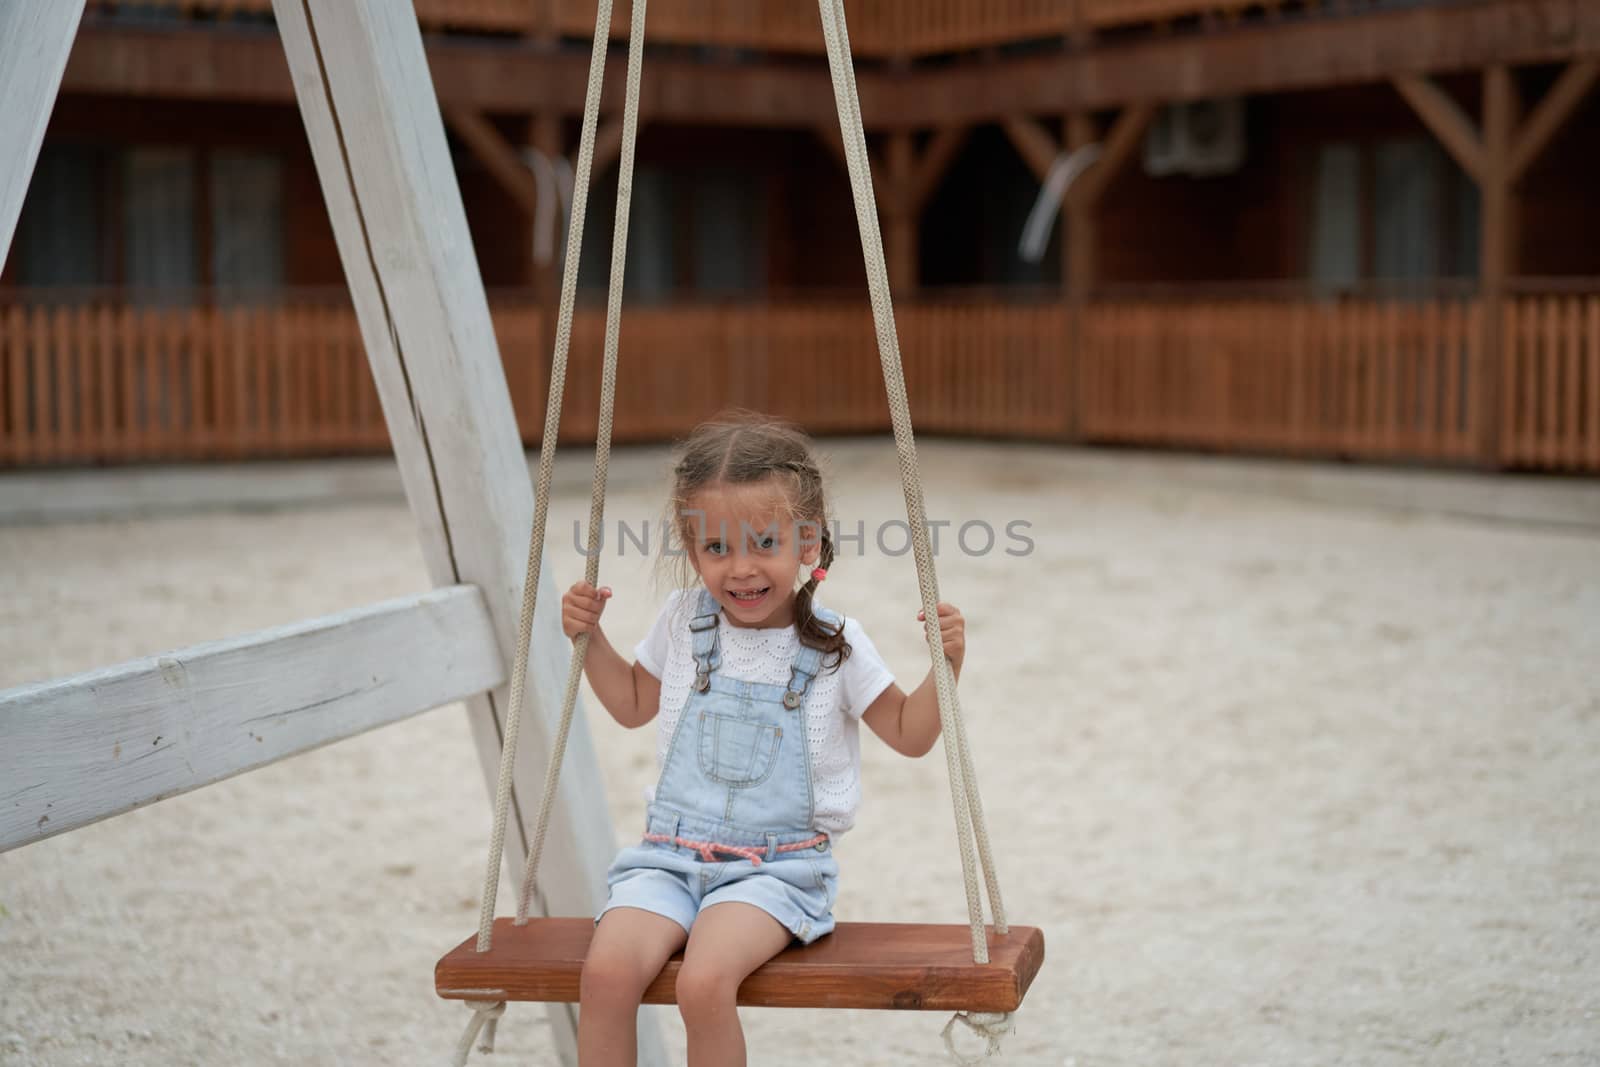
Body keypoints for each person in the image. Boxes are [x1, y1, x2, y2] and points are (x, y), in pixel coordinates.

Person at [561, 412, 965, 1067]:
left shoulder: (833, 644)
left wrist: (944, 668)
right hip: (667, 857)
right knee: (605, 974)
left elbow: (910, 733)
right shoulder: (683, 621)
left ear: (807, 542)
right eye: (716, 548)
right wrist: (590, 638)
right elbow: (632, 703)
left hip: (774, 872)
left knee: (703, 980)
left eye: (763, 543)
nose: (740, 569)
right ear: (692, 550)